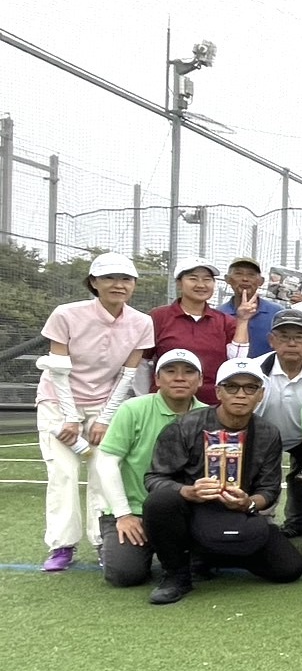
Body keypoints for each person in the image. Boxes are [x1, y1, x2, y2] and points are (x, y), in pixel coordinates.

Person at [140, 358, 302, 604]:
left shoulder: (268, 433)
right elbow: (155, 478)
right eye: (232, 387)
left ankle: (212, 554)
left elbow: (269, 490)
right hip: (192, 511)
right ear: (218, 391)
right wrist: (188, 491)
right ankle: (176, 575)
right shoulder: (186, 426)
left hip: (238, 513)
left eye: (250, 388)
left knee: (288, 568)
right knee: (160, 501)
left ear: (260, 395)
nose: (241, 394)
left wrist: (248, 502)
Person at [36, 252, 154, 572]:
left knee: (105, 471)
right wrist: (71, 417)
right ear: (93, 282)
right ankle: (62, 545)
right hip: (57, 402)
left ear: (134, 284)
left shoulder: (142, 322)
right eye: (109, 278)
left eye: (126, 279)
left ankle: (103, 540)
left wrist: (104, 418)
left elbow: (128, 375)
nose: (118, 285)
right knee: (63, 473)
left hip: (105, 403)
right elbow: (58, 370)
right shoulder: (66, 314)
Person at [94, 348, 207, 587]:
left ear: (200, 380)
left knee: (207, 566)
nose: (179, 378)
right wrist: (123, 514)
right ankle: (115, 533)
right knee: (124, 574)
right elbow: (107, 461)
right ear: (157, 379)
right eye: (170, 371)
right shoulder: (132, 409)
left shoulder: (209, 416)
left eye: (188, 372)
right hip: (136, 511)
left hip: (185, 511)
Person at [252, 309, 302, 554]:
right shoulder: (254, 369)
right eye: (284, 336)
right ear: (272, 340)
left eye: (299, 337)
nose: (291, 343)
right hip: (261, 435)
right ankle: (257, 523)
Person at [150, 256, 252, 405]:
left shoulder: (225, 321)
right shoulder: (158, 317)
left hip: (211, 405)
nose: (201, 285)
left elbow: (236, 360)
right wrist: (145, 397)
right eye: (193, 279)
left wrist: (242, 320)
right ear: (179, 283)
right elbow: (143, 363)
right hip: (164, 403)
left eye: (207, 279)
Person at [218, 256, 283, 357]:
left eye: (251, 274)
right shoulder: (219, 315)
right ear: (227, 279)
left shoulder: (277, 312)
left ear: (261, 281)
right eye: (238, 273)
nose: (245, 279)